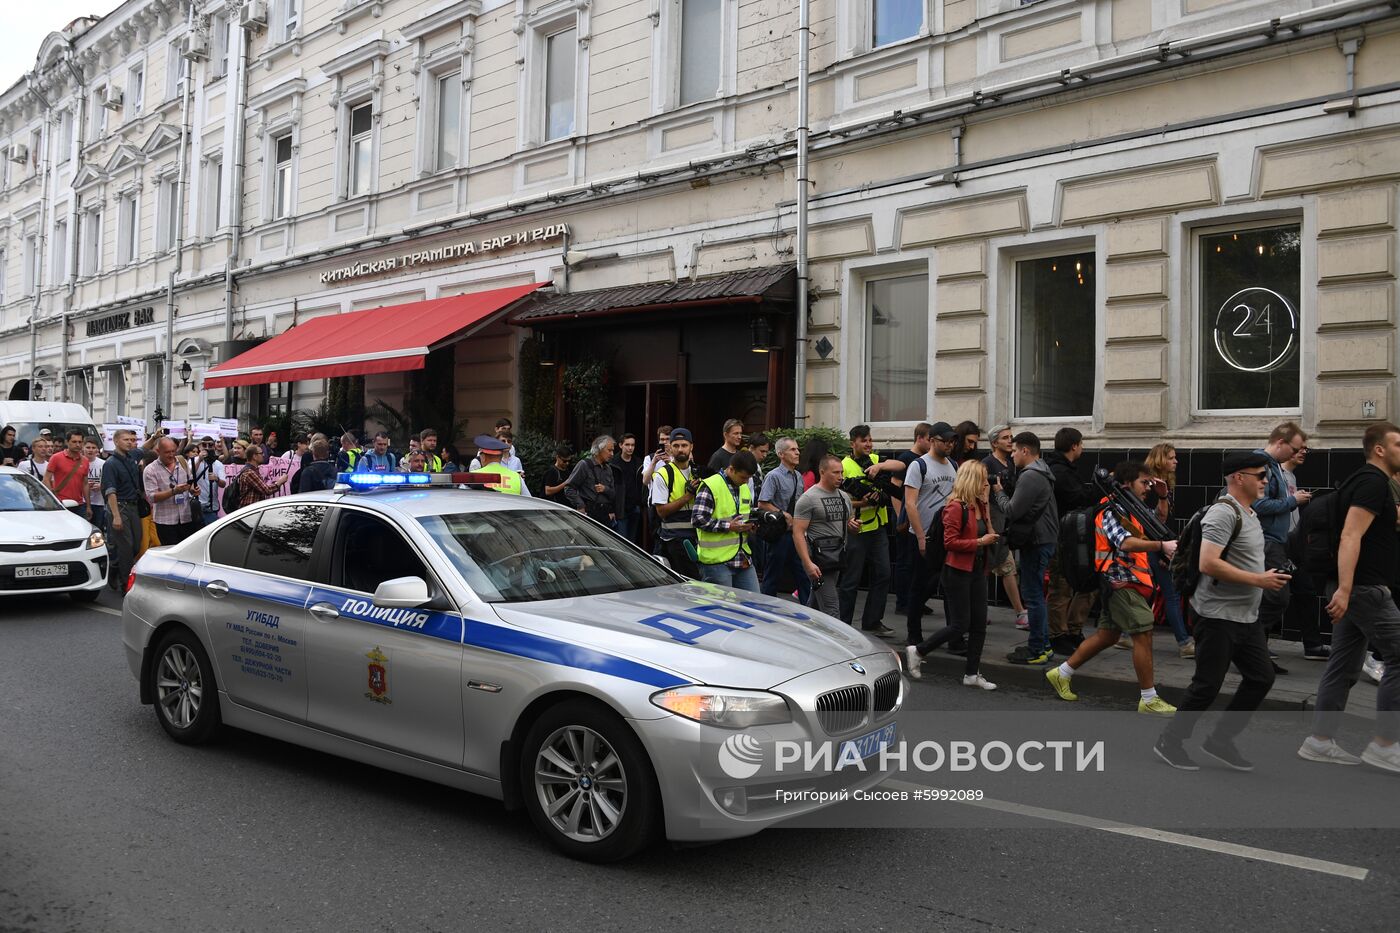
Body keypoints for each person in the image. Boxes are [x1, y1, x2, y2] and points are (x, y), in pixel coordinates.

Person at [1154, 452, 1287, 771]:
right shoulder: (1223, 514)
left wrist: (1265, 572)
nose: (1266, 481)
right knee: (1207, 685)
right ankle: (1170, 741)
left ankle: (1220, 740)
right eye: (1260, 475)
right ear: (1239, 478)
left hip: (1245, 616)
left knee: (1260, 677)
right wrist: (1259, 579)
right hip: (1216, 616)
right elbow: (1208, 563)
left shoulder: (1249, 513)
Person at [1297, 422, 1400, 772]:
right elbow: (1350, 536)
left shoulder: (1362, 482)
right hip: (1364, 589)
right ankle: (1385, 745)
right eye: (1399, 444)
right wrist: (1344, 589)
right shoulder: (1372, 482)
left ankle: (1319, 741)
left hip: (1354, 587)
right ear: (1380, 449)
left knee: (1343, 664)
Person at [1044, 461, 1178, 714]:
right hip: (1121, 582)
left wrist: (1163, 496)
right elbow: (1125, 543)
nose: (1147, 487)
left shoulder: (1131, 509)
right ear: (1127, 484)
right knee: (1143, 633)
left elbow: (1157, 522)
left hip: (1129, 581)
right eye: (1144, 482)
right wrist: (1161, 547)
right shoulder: (1112, 510)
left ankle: (1061, 673)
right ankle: (1149, 699)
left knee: (1108, 636)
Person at [906, 459, 1002, 690]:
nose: (985, 484)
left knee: (979, 625)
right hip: (957, 571)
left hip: (978, 570)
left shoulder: (979, 505)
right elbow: (950, 542)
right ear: (971, 480)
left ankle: (971, 674)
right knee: (960, 625)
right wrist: (980, 541)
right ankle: (918, 650)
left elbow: (990, 532)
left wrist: (987, 507)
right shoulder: (955, 507)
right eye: (982, 479)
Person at [1005, 432, 1059, 665]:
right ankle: (1044, 645)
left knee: (1033, 595)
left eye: (1015, 450)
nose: (1013, 454)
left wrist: (997, 493)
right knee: (1037, 594)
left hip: (1036, 541)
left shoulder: (1030, 476)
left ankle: (1036, 649)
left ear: (1025, 451)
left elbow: (1012, 510)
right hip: (1044, 539)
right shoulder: (1043, 470)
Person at [903, 422, 958, 646]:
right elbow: (910, 504)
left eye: (952, 441)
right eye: (946, 441)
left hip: (947, 537)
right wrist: (920, 537)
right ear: (933, 440)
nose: (950, 445)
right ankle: (913, 634)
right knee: (920, 587)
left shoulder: (953, 464)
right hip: (924, 536)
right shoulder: (919, 466)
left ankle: (954, 638)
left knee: (950, 588)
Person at [839, 425, 894, 637]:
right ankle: (843, 625)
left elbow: (900, 465)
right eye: (864, 441)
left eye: (870, 440)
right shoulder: (844, 466)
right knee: (851, 579)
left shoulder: (875, 461)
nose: (869, 444)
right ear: (853, 443)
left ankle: (872, 621)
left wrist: (881, 467)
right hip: (857, 530)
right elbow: (839, 500)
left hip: (878, 527)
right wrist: (862, 502)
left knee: (883, 574)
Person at [1045, 427, 1095, 655]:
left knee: (1082, 584)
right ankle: (1058, 635)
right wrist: (1097, 490)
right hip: (1063, 536)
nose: (1082, 448)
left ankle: (1072, 630)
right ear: (1074, 445)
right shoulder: (1060, 471)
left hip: (1072, 535)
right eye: (1081, 444)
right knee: (1061, 586)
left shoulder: (1064, 469)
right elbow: (1078, 498)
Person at [793, 453, 860, 619]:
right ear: (822, 472)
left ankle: (803, 635)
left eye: (841, 472)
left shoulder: (844, 497)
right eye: (835, 473)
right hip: (818, 561)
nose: (840, 477)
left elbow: (847, 523)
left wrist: (852, 525)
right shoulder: (808, 498)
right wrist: (807, 563)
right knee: (831, 609)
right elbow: (798, 532)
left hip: (836, 558)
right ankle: (837, 644)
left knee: (815, 606)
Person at [1144, 442, 1195, 658]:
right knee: (1171, 594)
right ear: (1160, 460)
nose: (1176, 461)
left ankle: (1126, 637)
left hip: (1157, 544)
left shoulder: (1164, 483)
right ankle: (1184, 643)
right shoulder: (1152, 485)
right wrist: (1162, 551)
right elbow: (1155, 520)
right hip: (1153, 545)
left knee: (1145, 592)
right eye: (1172, 457)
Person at [692, 450, 761, 591]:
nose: (746, 482)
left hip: (742, 557)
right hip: (717, 562)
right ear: (731, 469)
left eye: (748, 478)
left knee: (755, 604)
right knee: (721, 609)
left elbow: (745, 515)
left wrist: (751, 526)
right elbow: (697, 519)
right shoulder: (711, 485)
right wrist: (729, 526)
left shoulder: (744, 487)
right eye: (743, 477)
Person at [982, 425, 1028, 629]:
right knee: (988, 566)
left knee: (1006, 566)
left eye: (1011, 437)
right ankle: (981, 610)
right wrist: (989, 525)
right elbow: (983, 494)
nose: (1010, 441)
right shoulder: (987, 463)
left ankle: (1020, 612)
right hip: (992, 519)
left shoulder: (1010, 462)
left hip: (1004, 519)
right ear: (994, 443)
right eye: (1005, 438)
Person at [758, 436, 810, 604]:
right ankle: (766, 611)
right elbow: (762, 503)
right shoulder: (774, 476)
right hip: (779, 534)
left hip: (796, 533)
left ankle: (809, 613)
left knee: (803, 574)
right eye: (792, 450)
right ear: (781, 454)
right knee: (773, 576)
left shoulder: (798, 476)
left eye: (797, 449)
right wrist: (782, 513)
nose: (797, 452)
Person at [888, 424, 931, 615]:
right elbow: (895, 489)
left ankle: (916, 600)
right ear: (919, 438)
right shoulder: (907, 459)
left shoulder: (925, 460)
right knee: (905, 562)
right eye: (929, 439)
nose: (931, 443)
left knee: (916, 564)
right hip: (906, 520)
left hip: (918, 521)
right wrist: (900, 518)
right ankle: (903, 602)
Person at [650, 428, 701, 577]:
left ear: (691, 446)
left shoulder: (698, 472)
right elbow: (661, 511)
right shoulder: (663, 474)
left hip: (698, 537)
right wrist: (687, 496)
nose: (680, 449)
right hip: (674, 539)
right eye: (676, 446)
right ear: (670, 448)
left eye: (684, 445)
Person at [102, 429, 146, 593]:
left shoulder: (132, 456)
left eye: (133, 440)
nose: (131, 442)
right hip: (120, 507)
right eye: (127, 439)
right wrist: (116, 516)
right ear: (116, 441)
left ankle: (114, 568)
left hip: (134, 506)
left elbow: (145, 449)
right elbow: (110, 491)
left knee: (136, 545)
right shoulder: (110, 464)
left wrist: (155, 437)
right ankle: (125, 584)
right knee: (126, 548)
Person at [144, 436, 199, 546]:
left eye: (173, 451)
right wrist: (173, 492)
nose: (171, 455)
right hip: (165, 521)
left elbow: (190, 481)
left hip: (186, 517)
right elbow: (152, 497)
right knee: (171, 554)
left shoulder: (182, 462)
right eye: (167, 452)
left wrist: (193, 489)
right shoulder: (150, 470)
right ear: (158, 451)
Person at [565, 435, 619, 526]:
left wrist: (605, 489)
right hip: (589, 512)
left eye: (613, 450)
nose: (612, 454)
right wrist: (580, 505)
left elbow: (613, 493)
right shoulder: (584, 465)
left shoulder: (608, 468)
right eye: (609, 450)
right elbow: (569, 488)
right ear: (599, 450)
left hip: (605, 514)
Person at [45, 430, 91, 518]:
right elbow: (46, 479)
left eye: (80, 442)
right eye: (74, 442)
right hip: (60, 503)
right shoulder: (56, 458)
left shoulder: (85, 461)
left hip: (79, 504)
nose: (77, 445)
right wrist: (52, 499)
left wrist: (88, 506)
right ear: (67, 442)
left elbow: (85, 484)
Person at [612, 433, 645, 542]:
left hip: (635, 506)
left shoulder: (638, 462)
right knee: (622, 541)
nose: (630, 448)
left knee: (633, 541)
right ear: (621, 445)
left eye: (632, 445)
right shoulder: (613, 463)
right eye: (627, 445)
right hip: (620, 507)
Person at [191, 435, 227, 525]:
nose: (207, 448)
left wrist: (216, 479)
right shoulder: (193, 460)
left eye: (210, 445)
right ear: (200, 446)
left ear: (214, 446)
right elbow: (190, 474)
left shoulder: (218, 464)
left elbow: (223, 484)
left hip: (212, 506)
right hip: (197, 504)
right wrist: (199, 460)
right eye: (204, 445)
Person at [83, 438, 107, 531]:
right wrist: (85, 486)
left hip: (99, 502)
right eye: (88, 447)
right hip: (83, 502)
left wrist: (101, 486)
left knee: (97, 529)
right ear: (83, 448)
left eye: (93, 448)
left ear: (97, 450)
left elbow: (109, 481)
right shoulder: (78, 463)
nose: (90, 450)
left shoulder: (104, 464)